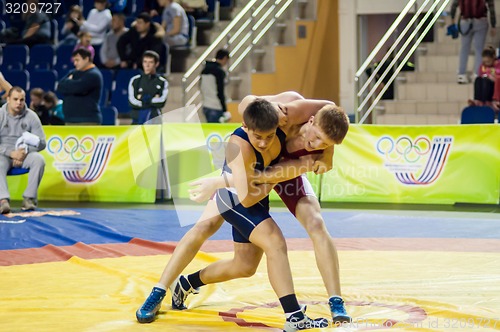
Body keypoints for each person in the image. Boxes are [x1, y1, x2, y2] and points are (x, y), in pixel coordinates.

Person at [135, 92, 351, 325]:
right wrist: (221, 182)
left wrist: (326, 155)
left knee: (247, 264)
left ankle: (336, 301)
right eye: (317, 138)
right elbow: (249, 103)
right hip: (254, 173)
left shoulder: (316, 122)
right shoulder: (283, 113)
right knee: (208, 225)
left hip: (278, 172)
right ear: (310, 120)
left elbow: (330, 109)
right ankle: (158, 291)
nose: (316, 145)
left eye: (324, 144)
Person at [0, 87, 46, 214]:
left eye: (22, 100)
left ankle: (29, 199)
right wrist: (11, 153)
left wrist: (24, 152)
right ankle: (2, 200)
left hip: (24, 154)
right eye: (15, 99)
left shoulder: (32, 116)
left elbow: (42, 143)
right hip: (3, 154)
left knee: (39, 159)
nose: (19, 103)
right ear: (8, 99)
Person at [450, 0, 496, 84]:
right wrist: (493, 24)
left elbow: (454, 5)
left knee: (464, 49)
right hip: (481, 20)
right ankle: (477, 74)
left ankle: (461, 74)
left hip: (465, 20)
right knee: (479, 49)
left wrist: (452, 18)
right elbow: (491, 7)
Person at [57, 48, 103, 125]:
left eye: (77, 60)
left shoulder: (94, 75)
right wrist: (72, 84)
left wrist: (68, 82)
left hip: (87, 121)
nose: (75, 63)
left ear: (87, 59)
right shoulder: (73, 72)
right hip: (70, 120)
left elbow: (78, 88)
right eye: (74, 61)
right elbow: (60, 86)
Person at [128, 50, 168, 124]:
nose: (147, 65)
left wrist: (144, 100)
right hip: (137, 121)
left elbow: (162, 101)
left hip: (155, 121)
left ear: (156, 64)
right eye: (145, 62)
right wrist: (152, 100)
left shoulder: (162, 81)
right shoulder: (135, 80)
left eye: (151, 62)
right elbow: (132, 101)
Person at [200, 49, 231, 123]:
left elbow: (201, 87)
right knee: (215, 132)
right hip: (215, 106)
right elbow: (220, 91)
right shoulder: (219, 72)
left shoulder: (204, 70)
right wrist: (225, 110)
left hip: (206, 105)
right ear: (225, 58)